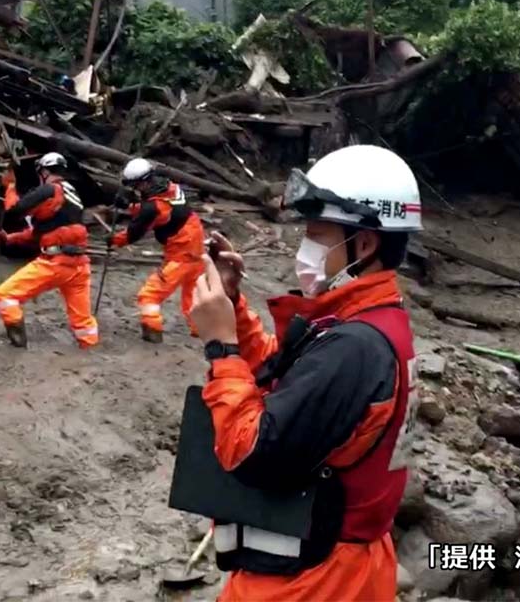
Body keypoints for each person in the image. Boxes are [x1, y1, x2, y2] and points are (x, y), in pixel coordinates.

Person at [187, 144, 422, 601]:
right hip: (336, 563)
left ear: (366, 244)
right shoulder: (368, 325)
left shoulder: (354, 349)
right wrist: (234, 311)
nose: (305, 249)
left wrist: (221, 347)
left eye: (317, 234)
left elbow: (251, 452)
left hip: (313, 581)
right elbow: (290, 376)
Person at [0, 152, 98, 349]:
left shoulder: (49, 190)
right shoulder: (71, 194)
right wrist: (10, 239)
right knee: (83, 323)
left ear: (44, 171)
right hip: (79, 265)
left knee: (5, 295)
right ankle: (89, 348)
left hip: (54, 263)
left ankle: (18, 344)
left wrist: (10, 187)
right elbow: (42, 231)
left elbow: (14, 211)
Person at [109, 158, 205, 342]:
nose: (134, 190)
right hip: (197, 248)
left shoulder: (152, 207)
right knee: (192, 294)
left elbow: (134, 233)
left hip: (181, 254)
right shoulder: (171, 187)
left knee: (150, 294)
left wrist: (113, 240)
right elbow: (159, 211)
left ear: (142, 182)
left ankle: (152, 330)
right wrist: (131, 208)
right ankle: (202, 329)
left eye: (135, 186)